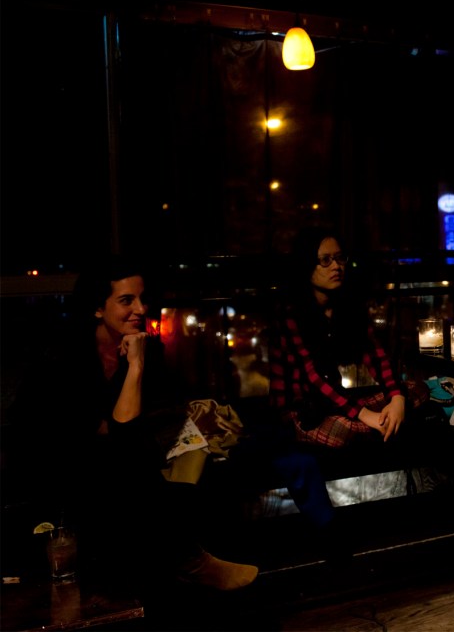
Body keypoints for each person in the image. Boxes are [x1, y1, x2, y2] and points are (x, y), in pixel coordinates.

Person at [8, 254, 258, 592]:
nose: (140, 309)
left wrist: (140, 368)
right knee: (130, 479)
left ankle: (180, 575)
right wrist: (135, 368)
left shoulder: (146, 349)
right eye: (127, 300)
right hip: (54, 467)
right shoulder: (64, 357)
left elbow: (151, 420)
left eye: (142, 298)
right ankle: (189, 563)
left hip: (117, 461)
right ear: (98, 308)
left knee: (183, 473)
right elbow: (116, 432)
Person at [233, 227, 432, 538]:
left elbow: (377, 356)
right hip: (299, 414)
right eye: (324, 260)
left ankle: (387, 420)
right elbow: (313, 378)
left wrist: (396, 398)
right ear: (307, 266)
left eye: (339, 258)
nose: (336, 266)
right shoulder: (291, 313)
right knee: (341, 432)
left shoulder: (346, 307)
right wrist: (366, 415)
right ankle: (383, 424)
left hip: (335, 406)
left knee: (417, 390)